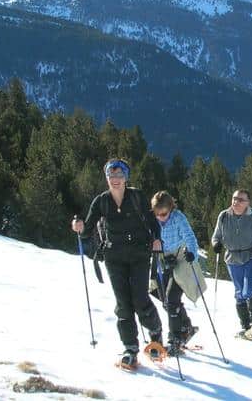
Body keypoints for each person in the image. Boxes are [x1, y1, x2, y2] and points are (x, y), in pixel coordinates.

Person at [71, 158, 164, 369]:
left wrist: (157, 239)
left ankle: (155, 333)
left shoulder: (137, 196)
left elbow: (152, 222)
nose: (116, 180)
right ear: (107, 178)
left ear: (126, 177)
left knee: (140, 299)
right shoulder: (101, 201)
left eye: (119, 175)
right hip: (114, 257)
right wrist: (79, 226)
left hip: (139, 255)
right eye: (112, 176)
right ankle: (130, 348)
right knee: (123, 303)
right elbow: (87, 229)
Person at [150, 191, 206, 356]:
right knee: (161, 295)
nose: (160, 217)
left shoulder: (178, 217)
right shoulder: (152, 219)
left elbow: (189, 237)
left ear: (171, 208)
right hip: (163, 259)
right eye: (157, 214)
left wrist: (192, 253)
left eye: (164, 214)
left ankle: (175, 338)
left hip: (181, 257)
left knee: (171, 298)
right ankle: (186, 327)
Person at [211, 189, 252, 340]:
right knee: (239, 292)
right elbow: (216, 235)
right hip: (232, 256)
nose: (236, 202)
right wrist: (216, 244)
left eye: (240, 200)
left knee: (249, 287)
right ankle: (245, 326)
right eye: (234, 198)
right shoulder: (224, 216)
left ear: (247, 203)